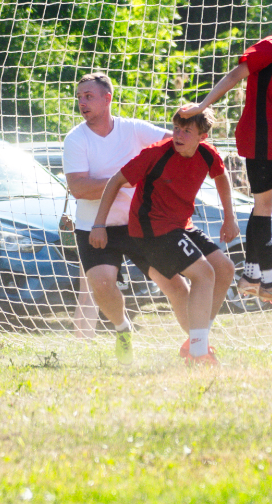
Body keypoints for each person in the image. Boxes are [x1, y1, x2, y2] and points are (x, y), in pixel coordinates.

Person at [178, 0, 272, 306]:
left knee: (265, 205)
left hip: (271, 137)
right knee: (263, 206)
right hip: (261, 137)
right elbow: (236, 74)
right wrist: (203, 105)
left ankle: (253, 276)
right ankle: (263, 278)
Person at [91, 107, 240, 366]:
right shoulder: (156, 153)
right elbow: (115, 181)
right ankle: (198, 351)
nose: (179, 136)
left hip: (181, 225)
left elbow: (221, 175)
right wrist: (98, 224)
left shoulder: (208, 154)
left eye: (187, 131)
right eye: (176, 129)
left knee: (225, 269)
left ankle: (197, 341)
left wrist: (230, 216)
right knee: (204, 274)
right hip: (151, 230)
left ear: (202, 137)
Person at [63, 72, 187, 362]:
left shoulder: (132, 129)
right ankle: (122, 329)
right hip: (97, 228)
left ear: (108, 99)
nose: (82, 102)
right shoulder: (76, 139)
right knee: (102, 284)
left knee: (175, 285)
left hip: (140, 224)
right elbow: (79, 188)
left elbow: (175, 143)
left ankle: (198, 342)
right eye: (79, 97)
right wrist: (122, 180)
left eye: (89, 96)